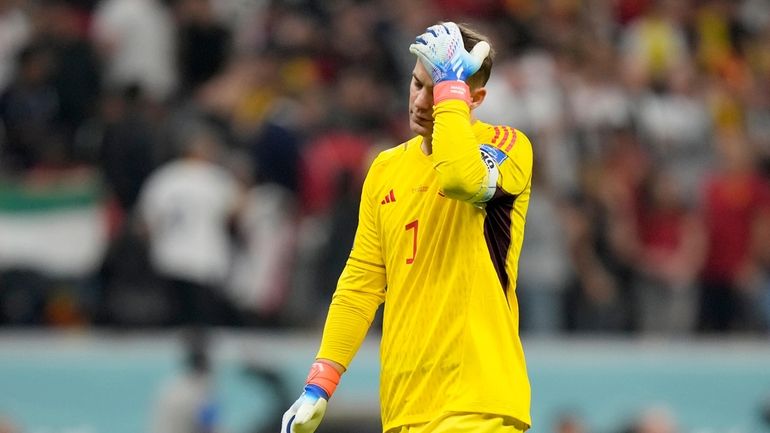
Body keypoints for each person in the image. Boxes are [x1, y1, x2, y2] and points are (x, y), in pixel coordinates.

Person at [281, 21, 534, 433]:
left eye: (437, 90)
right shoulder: (385, 169)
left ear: (475, 98)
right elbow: (360, 283)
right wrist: (320, 384)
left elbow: (461, 179)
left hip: (478, 401)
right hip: (405, 407)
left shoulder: (508, 146)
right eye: (417, 84)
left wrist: (451, 85)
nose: (421, 101)